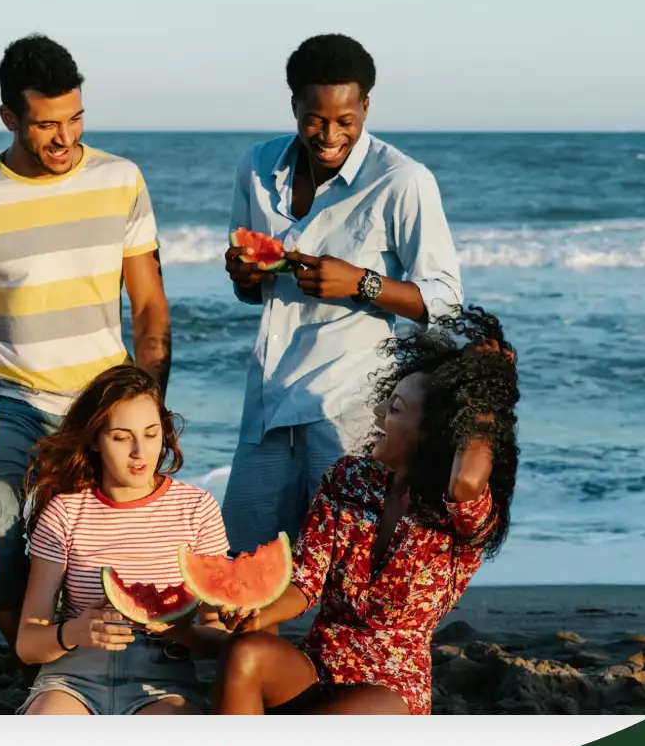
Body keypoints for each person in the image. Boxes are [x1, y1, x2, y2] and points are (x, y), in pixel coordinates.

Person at [0, 33, 171, 653]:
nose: (65, 139)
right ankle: (35, 656)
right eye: (45, 125)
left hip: (104, 399)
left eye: (75, 119)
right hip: (12, 399)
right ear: (8, 117)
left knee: (111, 542)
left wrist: (151, 407)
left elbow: (148, 305)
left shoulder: (121, 180)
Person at [205, 306, 518, 716]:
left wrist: (482, 392)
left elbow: (467, 480)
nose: (378, 415)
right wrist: (255, 615)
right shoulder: (348, 478)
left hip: (388, 689)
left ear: (436, 433)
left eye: (397, 409)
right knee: (246, 651)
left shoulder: (460, 516)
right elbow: (305, 582)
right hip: (315, 667)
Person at [220, 32, 463, 555]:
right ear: (294, 105)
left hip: (348, 406)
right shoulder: (257, 168)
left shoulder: (403, 181)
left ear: (366, 107)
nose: (329, 135)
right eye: (315, 119)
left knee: (341, 569)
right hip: (265, 405)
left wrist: (361, 283)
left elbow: (445, 301)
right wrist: (245, 275)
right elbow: (251, 292)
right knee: (243, 566)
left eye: (346, 122)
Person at [11, 364, 228, 716]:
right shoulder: (64, 512)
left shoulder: (197, 508)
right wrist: (74, 632)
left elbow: (219, 638)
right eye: (121, 436)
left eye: (151, 433)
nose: (140, 452)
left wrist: (181, 631)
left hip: (161, 682)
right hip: (73, 677)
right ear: (95, 440)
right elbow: (27, 643)